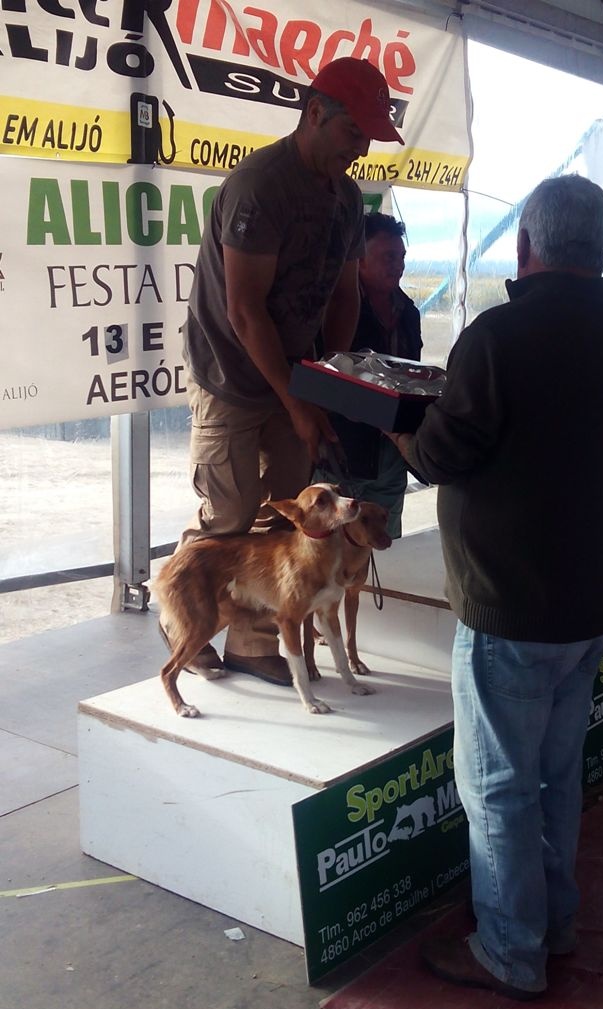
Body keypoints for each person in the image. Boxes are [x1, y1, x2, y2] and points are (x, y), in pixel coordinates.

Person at [386, 175, 603, 999]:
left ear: (525, 246)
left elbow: (441, 455)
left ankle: (511, 951)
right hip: (589, 603)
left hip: (510, 605)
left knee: (498, 787)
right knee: (554, 777)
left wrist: (397, 420)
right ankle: (554, 922)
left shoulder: (496, 338)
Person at [171, 58, 404, 687]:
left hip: (294, 376)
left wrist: (325, 384)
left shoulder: (347, 199)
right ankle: (184, 624)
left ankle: (254, 644)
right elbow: (245, 312)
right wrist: (298, 401)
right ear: (315, 114)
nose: (360, 150)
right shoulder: (260, 187)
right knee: (229, 513)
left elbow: (344, 296)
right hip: (230, 375)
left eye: (368, 138)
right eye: (353, 133)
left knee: (291, 518)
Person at [315, 212, 422, 538]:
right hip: (342, 452)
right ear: (358, 260)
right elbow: (319, 380)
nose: (398, 266)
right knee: (330, 554)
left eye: (401, 257)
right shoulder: (334, 310)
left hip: (391, 455)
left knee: (385, 545)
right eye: (388, 257)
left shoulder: (409, 313)